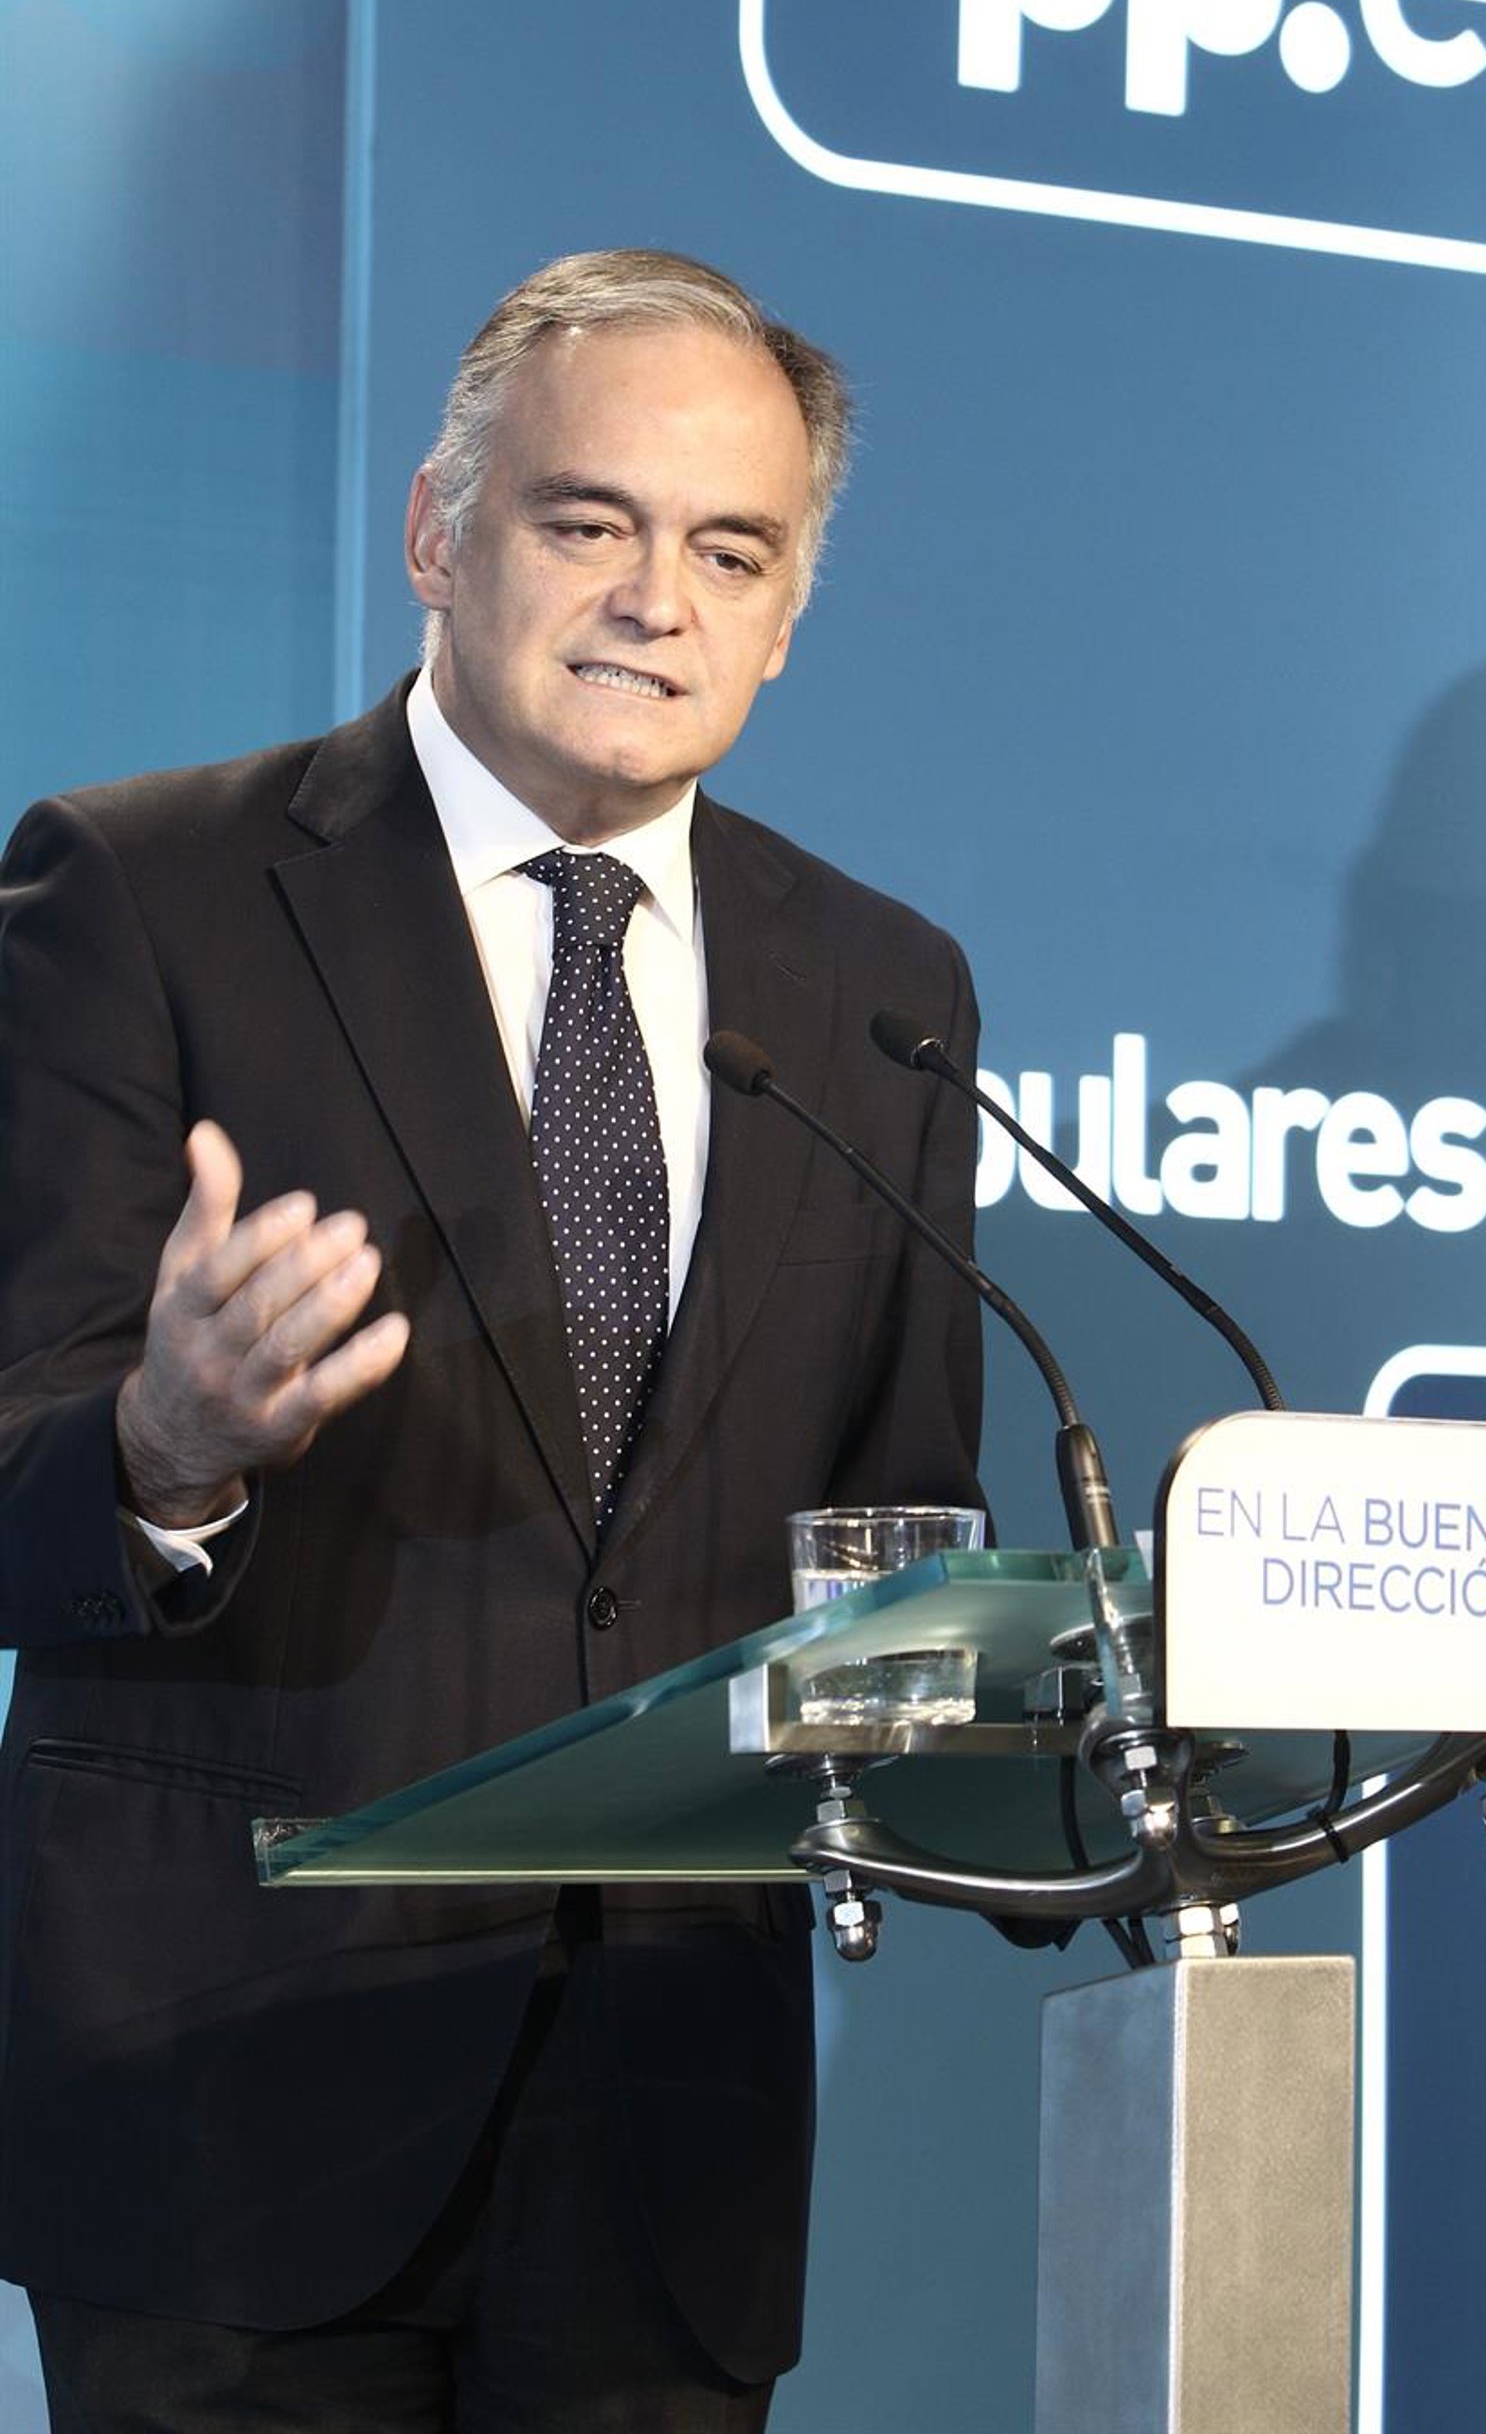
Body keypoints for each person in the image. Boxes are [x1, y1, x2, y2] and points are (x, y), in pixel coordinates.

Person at [0, 250, 985, 2430]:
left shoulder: (881, 992)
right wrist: (167, 1445)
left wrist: (1042, 1719)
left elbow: (903, 1534)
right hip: (230, 2105)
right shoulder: (141, 892)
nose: (657, 601)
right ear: (440, 535)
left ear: (786, 617)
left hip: (667, 2129)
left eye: (731, 551)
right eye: (589, 521)